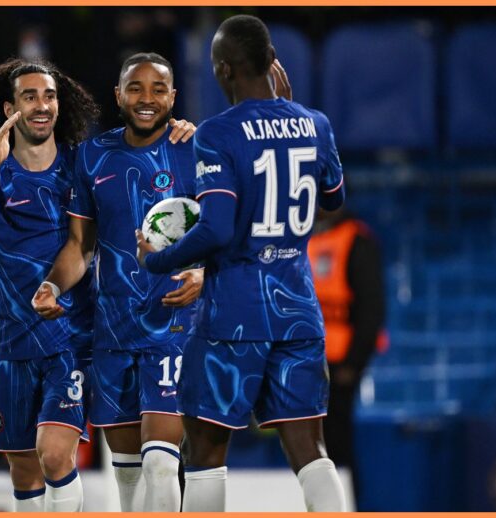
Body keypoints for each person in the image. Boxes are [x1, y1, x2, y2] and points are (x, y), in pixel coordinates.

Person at [136, 15, 347, 512]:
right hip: (298, 310)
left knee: (206, 449)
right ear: (272, 65)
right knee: (309, 449)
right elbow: (334, 199)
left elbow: (216, 229)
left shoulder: (217, 134)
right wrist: (290, 112)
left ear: (225, 70)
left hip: (235, 312)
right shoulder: (315, 123)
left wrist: (157, 259)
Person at [32, 53, 201, 512]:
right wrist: (52, 285)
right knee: (128, 477)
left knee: (163, 463)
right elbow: (79, 247)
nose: (147, 98)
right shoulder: (93, 155)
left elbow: (225, 231)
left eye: (158, 89)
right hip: (113, 328)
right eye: (136, 88)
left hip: (174, 325)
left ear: (174, 96)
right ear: (118, 95)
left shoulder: (196, 150)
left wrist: (204, 274)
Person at [0, 58, 99, 512]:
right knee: (23, 467)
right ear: (10, 108)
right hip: (13, 343)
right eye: (30, 96)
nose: (41, 105)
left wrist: (179, 133)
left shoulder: (81, 168)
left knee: (54, 455)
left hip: (68, 341)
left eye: (49, 95)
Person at [308, 208, 386, 510]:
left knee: (336, 445)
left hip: (338, 365)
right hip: (300, 359)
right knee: (305, 447)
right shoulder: (298, 237)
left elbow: (372, 308)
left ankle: (345, 507)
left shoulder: (356, 240)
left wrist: (353, 364)